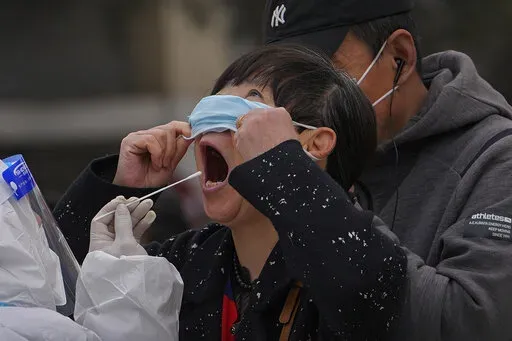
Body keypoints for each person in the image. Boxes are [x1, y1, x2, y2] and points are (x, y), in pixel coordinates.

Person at [57, 45, 407, 340]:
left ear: (314, 143)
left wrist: (278, 165)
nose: (215, 113)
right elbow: (49, 290)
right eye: (215, 100)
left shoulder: (354, 254)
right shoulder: (186, 263)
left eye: (251, 99)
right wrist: (122, 188)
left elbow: (369, 291)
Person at [264, 0, 512, 340]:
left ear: (400, 56)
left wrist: (319, 205)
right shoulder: (301, 164)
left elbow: (475, 321)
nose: (295, 105)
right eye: (283, 84)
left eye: (321, 75)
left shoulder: (496, 157)